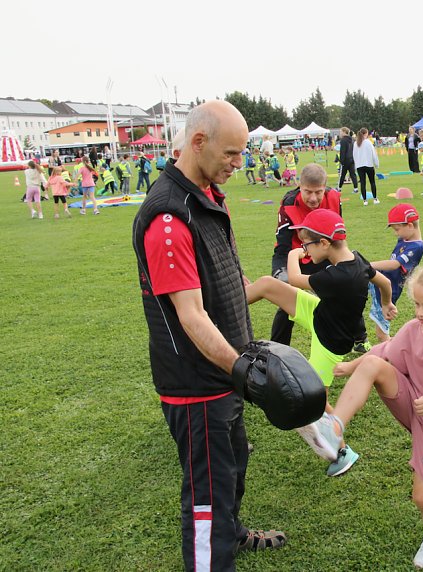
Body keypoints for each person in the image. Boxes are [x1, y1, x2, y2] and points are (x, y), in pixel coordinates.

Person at [131, 101, 286, 571]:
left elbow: (227, 280)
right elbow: (192, 317)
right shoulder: (169, 218)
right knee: (206, 496)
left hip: (224, 373)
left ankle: (232, 533)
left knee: (233, 464)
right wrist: (242, 370)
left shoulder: (208, 195)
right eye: (231, 153)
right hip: (197, 384)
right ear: (198, 142)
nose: (239, 163)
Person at [300, 265, 423, 568]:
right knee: (372, 365)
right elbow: (385, 350)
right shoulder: (413, 329)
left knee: (422, 497)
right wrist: (352, 365)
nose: (419, 313)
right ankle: (334, 427)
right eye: (417, 304)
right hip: (412, 401)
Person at [247, 208, 395, 477]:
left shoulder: (337, 278)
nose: (305, 250)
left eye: (306, 245)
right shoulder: (357, 260)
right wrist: (387, 303)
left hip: (330, 342)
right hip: (320, 314)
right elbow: (383, 281)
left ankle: (343, 451)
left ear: (324, 243)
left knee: (313, 398)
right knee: (268, 285)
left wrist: (293, 255)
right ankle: (222, 306)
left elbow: (293, 278)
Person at [270, 163, 351, 347]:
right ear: (299, 186)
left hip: (323, 253)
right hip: (296, 256)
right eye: (307, 192)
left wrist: (343, 263)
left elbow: (337, 237)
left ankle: (359, 337)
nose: (313, 198)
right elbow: (283, 246)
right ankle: (277, 347)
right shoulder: (289, 204)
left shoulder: (334, 197)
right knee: (288, 301)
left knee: (343, 292)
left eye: (318, 192)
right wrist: (282, 273)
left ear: (325, 188)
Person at [368, 204, 423, 342]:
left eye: (397, 229)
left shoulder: (417, 247)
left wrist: (367, 265)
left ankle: (396, 351)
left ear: (410, 226)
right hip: (379, 283)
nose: (396, 233)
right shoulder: (405, 238)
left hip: (388, 291)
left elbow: (394, 264)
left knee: (382, 334)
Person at [354, 127, 380, 205]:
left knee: (362, 183)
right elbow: (374, 154)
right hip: (368, 164)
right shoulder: (368, 143)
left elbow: (354, 155)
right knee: (372, 182)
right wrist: (376, 164)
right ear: (366, 134)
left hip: (359, 166)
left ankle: (365, 200)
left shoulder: (356, 143)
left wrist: (356, 165)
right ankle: (375, 198)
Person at [337, 127, 359, 193]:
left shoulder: (343, 140)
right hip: (352, 159)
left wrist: (341, 161)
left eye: (341, 132)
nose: (340, 133)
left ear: (344, 132)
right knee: (353, 174)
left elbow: (342, 151)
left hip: (345, 160)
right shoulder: (352, 139)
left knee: (342, 174)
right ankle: (356, 188)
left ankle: (339, 188)